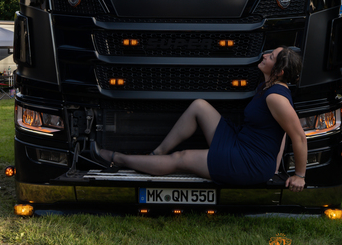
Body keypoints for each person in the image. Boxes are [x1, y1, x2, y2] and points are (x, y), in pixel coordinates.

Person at [96, 46, 308, 192]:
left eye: (271, 57)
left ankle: (116, 158)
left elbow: (298, 137)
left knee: (181, 158)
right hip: (241, 143)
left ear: (279, 72)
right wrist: (274, 163)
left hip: (248, 161)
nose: (265, 55)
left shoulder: (276, 97)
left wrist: (299, 175)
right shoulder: (267, 87)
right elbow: (280, 132)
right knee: (199, 106)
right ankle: (156, 154)